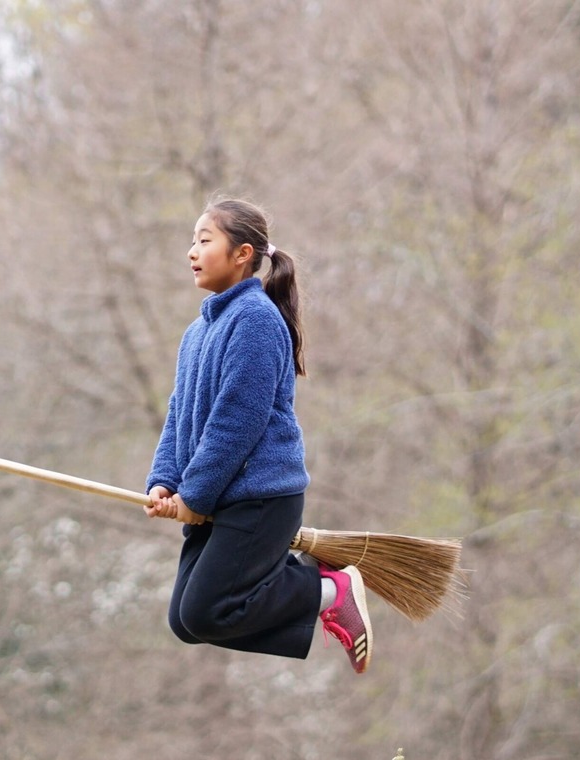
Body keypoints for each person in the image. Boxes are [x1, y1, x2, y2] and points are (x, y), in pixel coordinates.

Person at [144, 197, 372, 674]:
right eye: (192, 240)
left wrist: (196, 495)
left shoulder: (256, 320)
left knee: (207, 610)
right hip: (219, 497)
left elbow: (237, 423)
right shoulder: (197, 332)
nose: (192, 251)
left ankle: (334, 591)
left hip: (260, 497)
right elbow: (178, 415)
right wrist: (164, 482)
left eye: (205, 241)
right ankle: (300, 588)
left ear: (242, 253)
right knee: (187, 622)